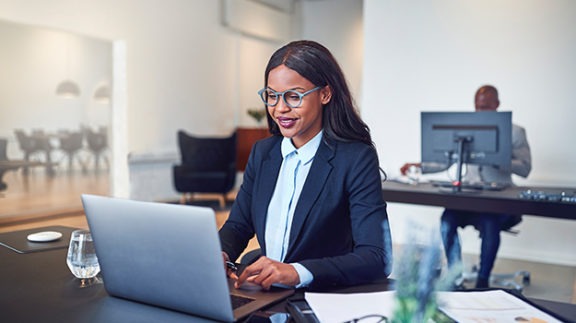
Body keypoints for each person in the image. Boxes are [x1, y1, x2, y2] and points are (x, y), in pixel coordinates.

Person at [218, 40, 393, 291]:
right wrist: (220, 252)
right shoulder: (263, 152)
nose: (280, 108)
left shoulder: (355, 158)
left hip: (319, 296)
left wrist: (296, 272)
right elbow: (238, 225)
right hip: (267, 297)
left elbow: (377, 257)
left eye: (294, 96)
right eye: (272, 96)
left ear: (325, 94)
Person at [400, 85, 531, 288]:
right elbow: (445, 161)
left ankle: (482, 281)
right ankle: (455, 276)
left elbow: (525, 168)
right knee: (447, 221)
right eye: (478, 107)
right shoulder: (466, 130)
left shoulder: (516, 132)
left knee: (489, 221)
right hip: (468, 198)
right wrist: (418, 166)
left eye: (486, 107)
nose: (481, 112)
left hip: (498, 200)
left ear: (497, 105)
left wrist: (498, 158)